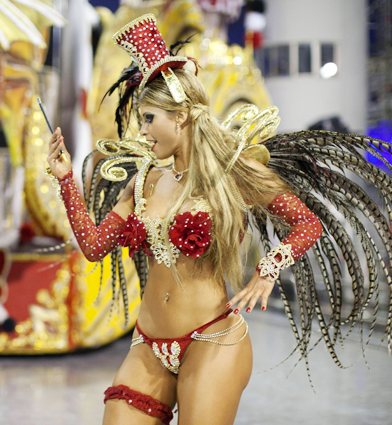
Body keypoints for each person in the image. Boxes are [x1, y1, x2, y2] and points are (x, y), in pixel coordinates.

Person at [46, 15, 323, 425]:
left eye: (148, 118)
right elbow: (92, 246)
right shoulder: (142, 183)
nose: (141, 132)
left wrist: (267, 270)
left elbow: (307, 224)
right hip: (147, 346)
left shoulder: (233, 172)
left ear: (181, 116)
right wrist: (66, 178)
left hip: (212, 339)